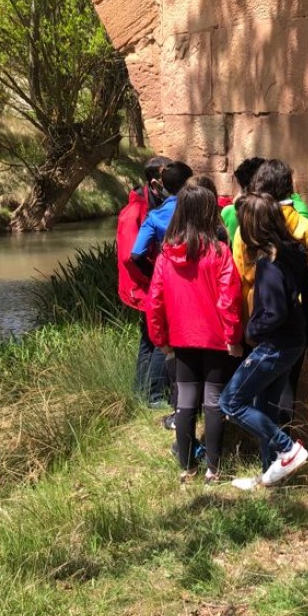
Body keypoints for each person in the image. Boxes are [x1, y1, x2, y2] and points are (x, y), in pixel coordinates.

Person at [220, 193, 308, 489]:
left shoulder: (269, 262)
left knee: (231, 401)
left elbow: (275, 312)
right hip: (291, 343)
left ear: (253, 226)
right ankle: (271, 475)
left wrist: (252, 331)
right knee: (264, 406)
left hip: (274, 345)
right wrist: (306, 332)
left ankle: (287, 448)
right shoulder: (293, 250)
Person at [147, 182, 243, 485]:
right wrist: (233, 337)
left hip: (181, 338)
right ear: (208, 212)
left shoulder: (165, 255)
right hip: (215, 339)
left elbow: (155, 301)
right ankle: (213, 469)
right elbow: (230, 298)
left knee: (185, 401)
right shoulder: (219, 252)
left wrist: (161, 340)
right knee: (214, 401)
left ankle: (186, 468)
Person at [233, 159, 308, 427]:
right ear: (289, 189)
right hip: (296, 323)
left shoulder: (246, 228)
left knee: (258, 387)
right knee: (287, 384)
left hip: (258, 320)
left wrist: (242, 328)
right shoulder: (303, 227)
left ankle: (273, 446)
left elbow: (240, 279)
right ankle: (284, 440)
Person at [128, 160, 193, 420]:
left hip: (168, 281)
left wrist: (153, 272)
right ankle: (161, 396)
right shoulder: (197, 209)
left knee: (157, 340)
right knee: (176, 341)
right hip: (196, 280)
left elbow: (135, 254)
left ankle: (150, 393)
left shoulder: (155, 216)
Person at [116, 155, 171, 407]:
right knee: (160, 336)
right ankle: (155, 396)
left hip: (148, 285)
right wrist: (154, 277)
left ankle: (142, 391)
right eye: (164, 177)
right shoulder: (134, 212)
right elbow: (131, 257)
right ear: (154, 181)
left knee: (149, 338)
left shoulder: (149, 204)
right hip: (143, 287)